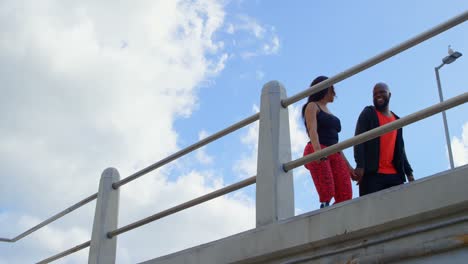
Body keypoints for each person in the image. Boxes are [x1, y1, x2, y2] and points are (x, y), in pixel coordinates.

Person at [302, 76, 356, 208]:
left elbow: (336, 143)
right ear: (325, 89)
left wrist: (349, 168)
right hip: (318, 148)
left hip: (334, 152)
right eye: (332, 88)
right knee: (327, 190)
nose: (334, 92)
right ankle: (324, 208)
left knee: (345, 193)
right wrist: (318, 152)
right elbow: (312, 130)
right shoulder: (312, 106)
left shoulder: (329, 111)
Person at [354, 82, 415, 196]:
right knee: (373, 212)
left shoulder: (397, 120)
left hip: (394, 175)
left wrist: (409, 172)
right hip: (372, 175)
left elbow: (401, 149)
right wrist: (360, 166)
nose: (378, 95)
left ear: (389, 95)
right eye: (375, 93)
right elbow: (358, 140)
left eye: (382, 92)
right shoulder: (368, 113)